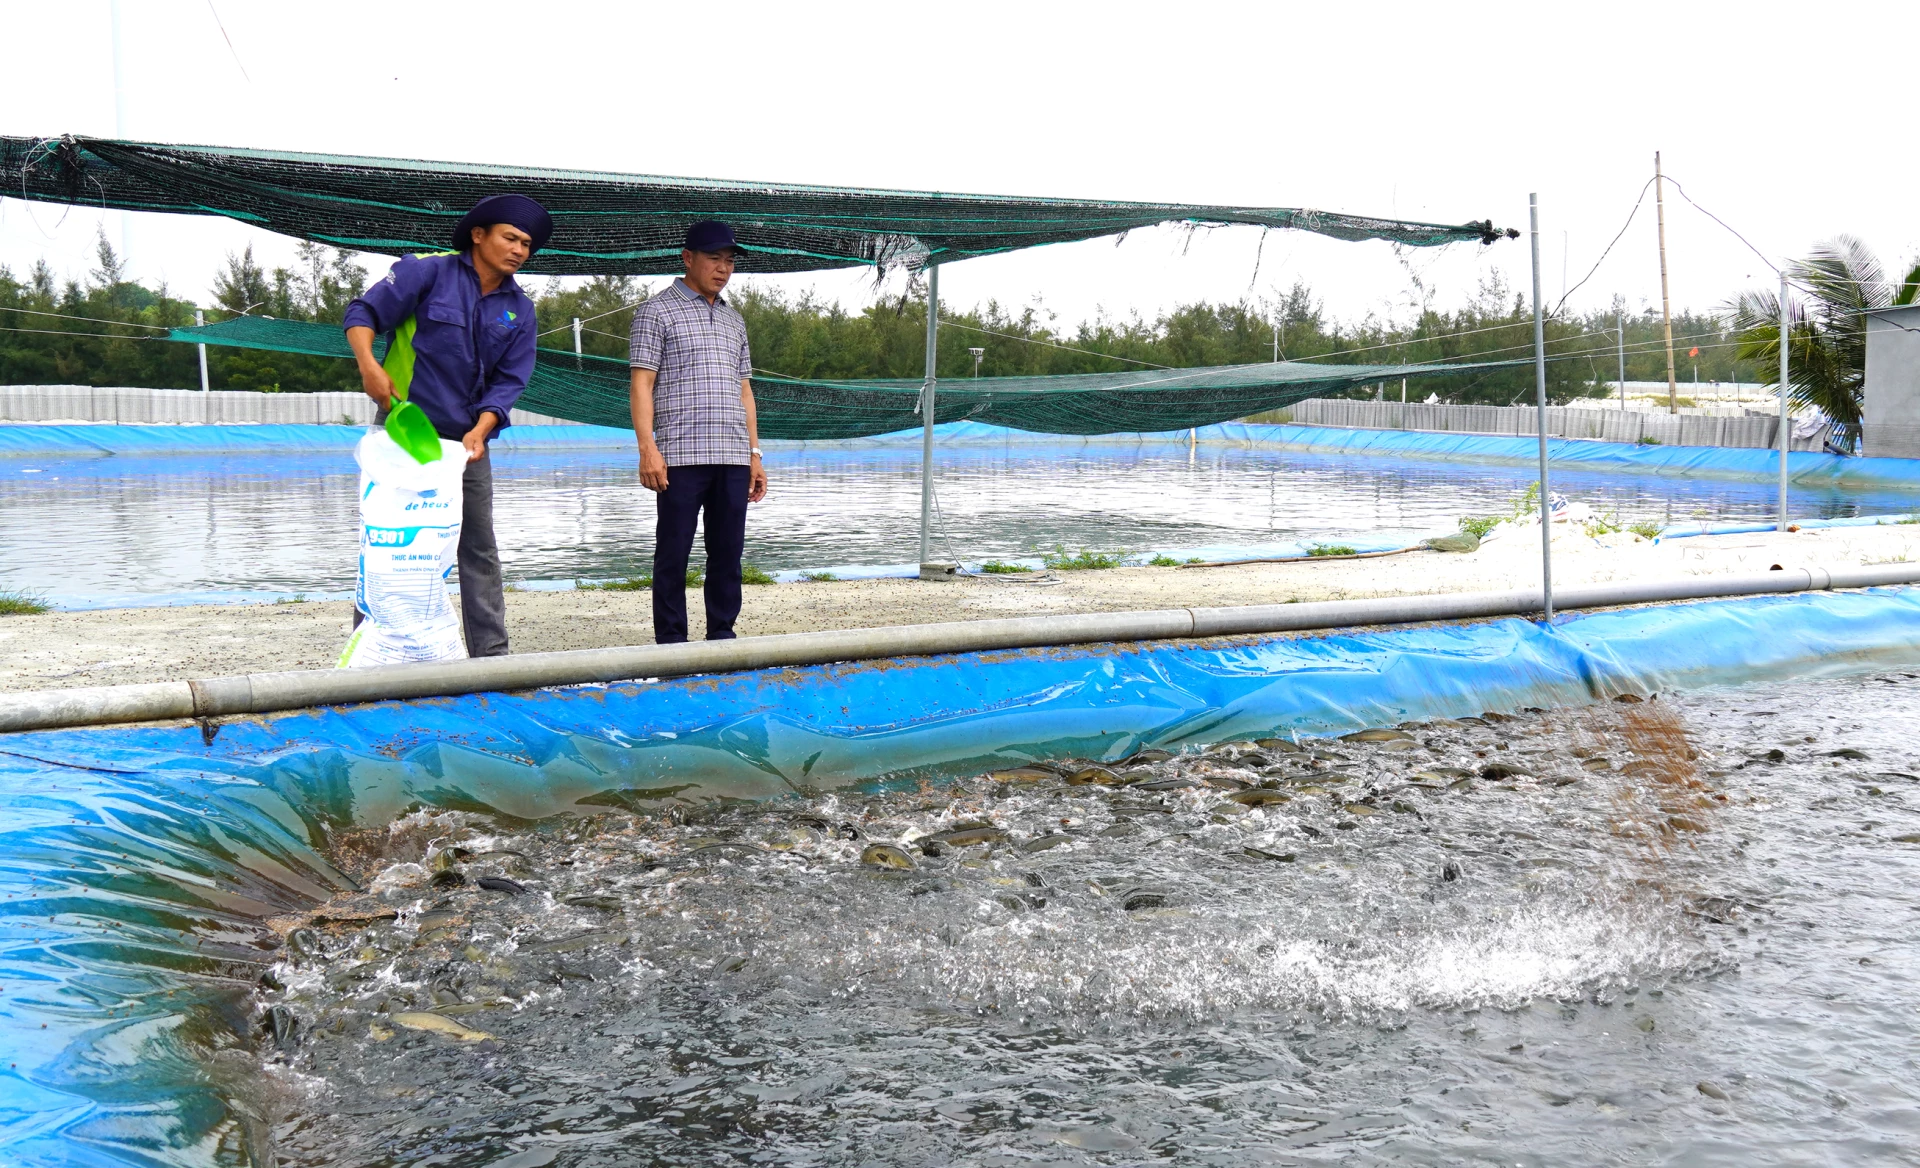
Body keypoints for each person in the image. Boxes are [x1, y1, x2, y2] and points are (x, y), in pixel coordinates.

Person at [341, 193, 551, 658]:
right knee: (386, 540)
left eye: (527, 244)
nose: (519, 250)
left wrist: (483, 427)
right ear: (478, 235)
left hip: (467, 442)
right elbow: (363, 313)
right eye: (510, 238)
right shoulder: (426, 271)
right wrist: (369, 367)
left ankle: (492, 659)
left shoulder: (520, 308)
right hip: (403, 430)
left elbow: (510, 378)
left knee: (477, 547)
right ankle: (369, 653)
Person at [628, 220, 768, 643]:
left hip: (732, 455)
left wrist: (755, 454)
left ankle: (722, 636)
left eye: (729, 261)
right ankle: (671, 644)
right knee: (673, 553)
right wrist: (647, 449)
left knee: (727, 554)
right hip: (679, 457)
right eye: (713, 258)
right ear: (688, 258)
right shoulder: (656, 310)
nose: (723, 269)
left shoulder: (734, 320)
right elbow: (641, 383)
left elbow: (745, 390)